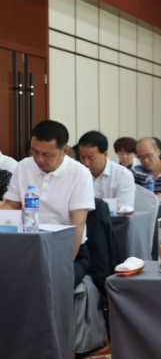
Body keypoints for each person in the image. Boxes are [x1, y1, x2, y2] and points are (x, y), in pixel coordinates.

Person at [1, 120, 95, 287]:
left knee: (53, 284)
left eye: (47, 154)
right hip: (28, 246)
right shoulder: (23, 166)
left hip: (66, 248)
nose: (39, 158)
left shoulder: (80, 174)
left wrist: (65, 263)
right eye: (34, 151)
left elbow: (78, 224)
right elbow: (11, 206)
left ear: (65, 151)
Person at [77, 131, 135, 208]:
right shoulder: (76, 173)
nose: (86, 162)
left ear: (105, 154)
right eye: (82, 157)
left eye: (91, 158)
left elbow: (122, 208)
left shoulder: (123, 175)